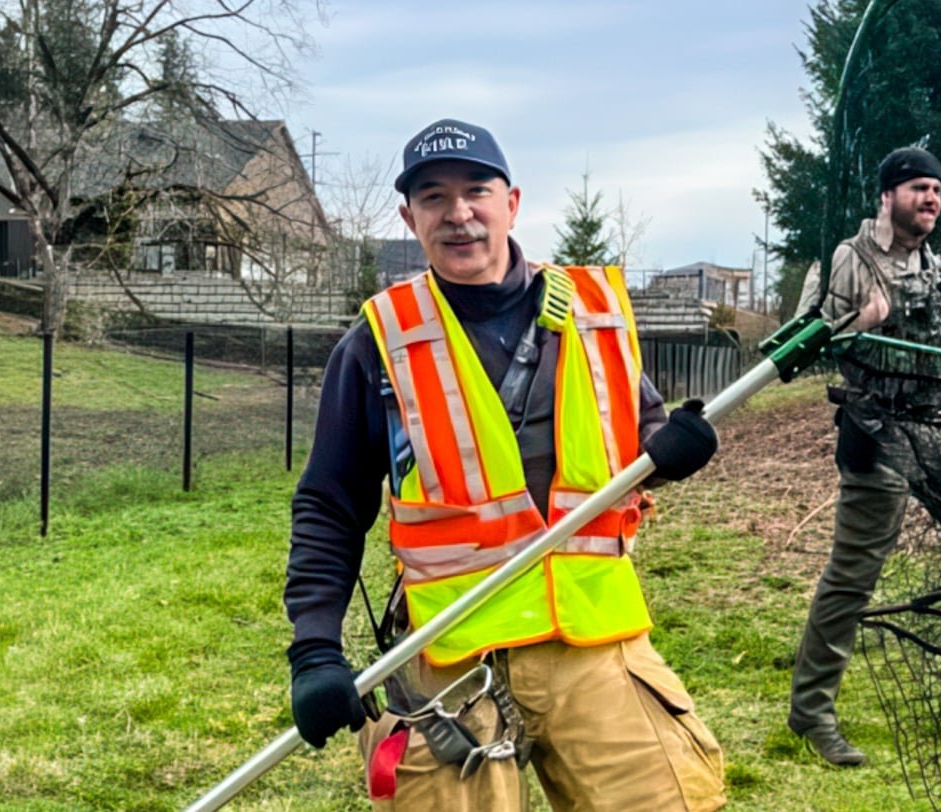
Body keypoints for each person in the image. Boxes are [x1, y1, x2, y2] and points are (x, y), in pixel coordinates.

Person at [283, 119, 727, 810]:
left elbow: (641, 445)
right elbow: (329, 504)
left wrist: (676, 449)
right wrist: (314, 649)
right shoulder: (378, 342)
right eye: (434, 197)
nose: (458, 213)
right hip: (451, 654)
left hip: (591, 638)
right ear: (409, 217)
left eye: (476, 191)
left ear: (511, 203)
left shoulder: (595, 314)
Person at [786, 146, 941, 768]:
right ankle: (812, 713)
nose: (931, 199)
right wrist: (858, 322)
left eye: (937, 190)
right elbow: (800, 348)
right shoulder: (848, 258)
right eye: (919, 188)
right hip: (879, 431)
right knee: (852, 577)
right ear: (887, 195)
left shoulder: (934, 265)